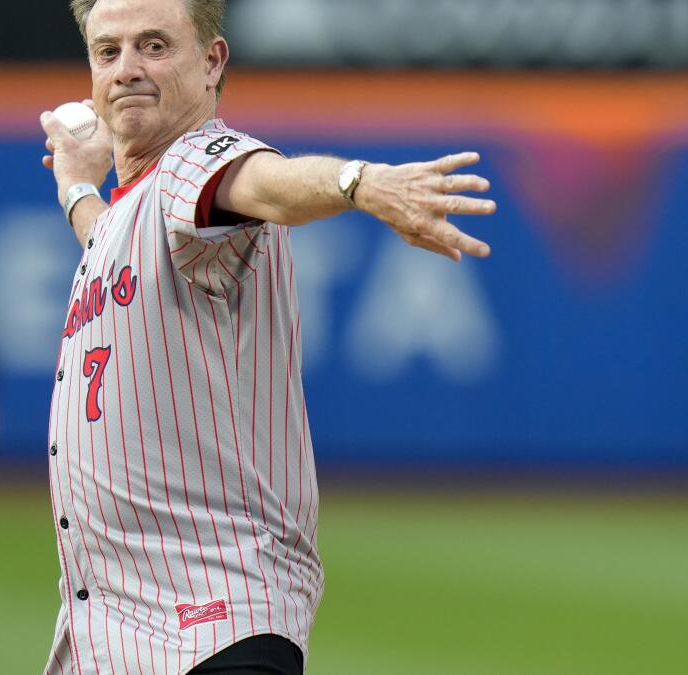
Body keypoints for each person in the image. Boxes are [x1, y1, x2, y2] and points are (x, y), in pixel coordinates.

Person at [38, 0, 496, 672]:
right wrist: (78, 186)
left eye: (155, 45)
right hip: (127, 631)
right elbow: (114, 249)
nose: (128, 69)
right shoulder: (139, 211)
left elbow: (264, 184)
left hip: (213, 627)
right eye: (109, 52)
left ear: (212, 62)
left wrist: (359, 183)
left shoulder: (195, 157)